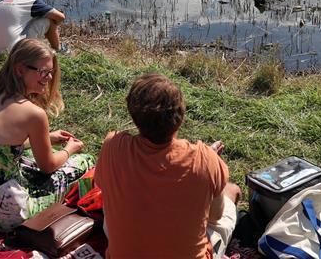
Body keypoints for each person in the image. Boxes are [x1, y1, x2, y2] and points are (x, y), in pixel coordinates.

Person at [0, 38, 93, 232]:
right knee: (85, 162)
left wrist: (46, 138)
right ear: (19, 70)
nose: (48, 78)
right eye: (43, 72)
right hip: (4, 216)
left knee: (26, 157)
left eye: (50, 73)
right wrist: (69, 150)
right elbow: (48, 166)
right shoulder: (34, 114)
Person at [96, 73, 241, 259]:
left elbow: (101, 187)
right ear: (180, 116)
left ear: (134, 115)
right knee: (231, 190)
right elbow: (215, 216)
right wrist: (211, 164)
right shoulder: (205, 160)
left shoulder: (113, 146)